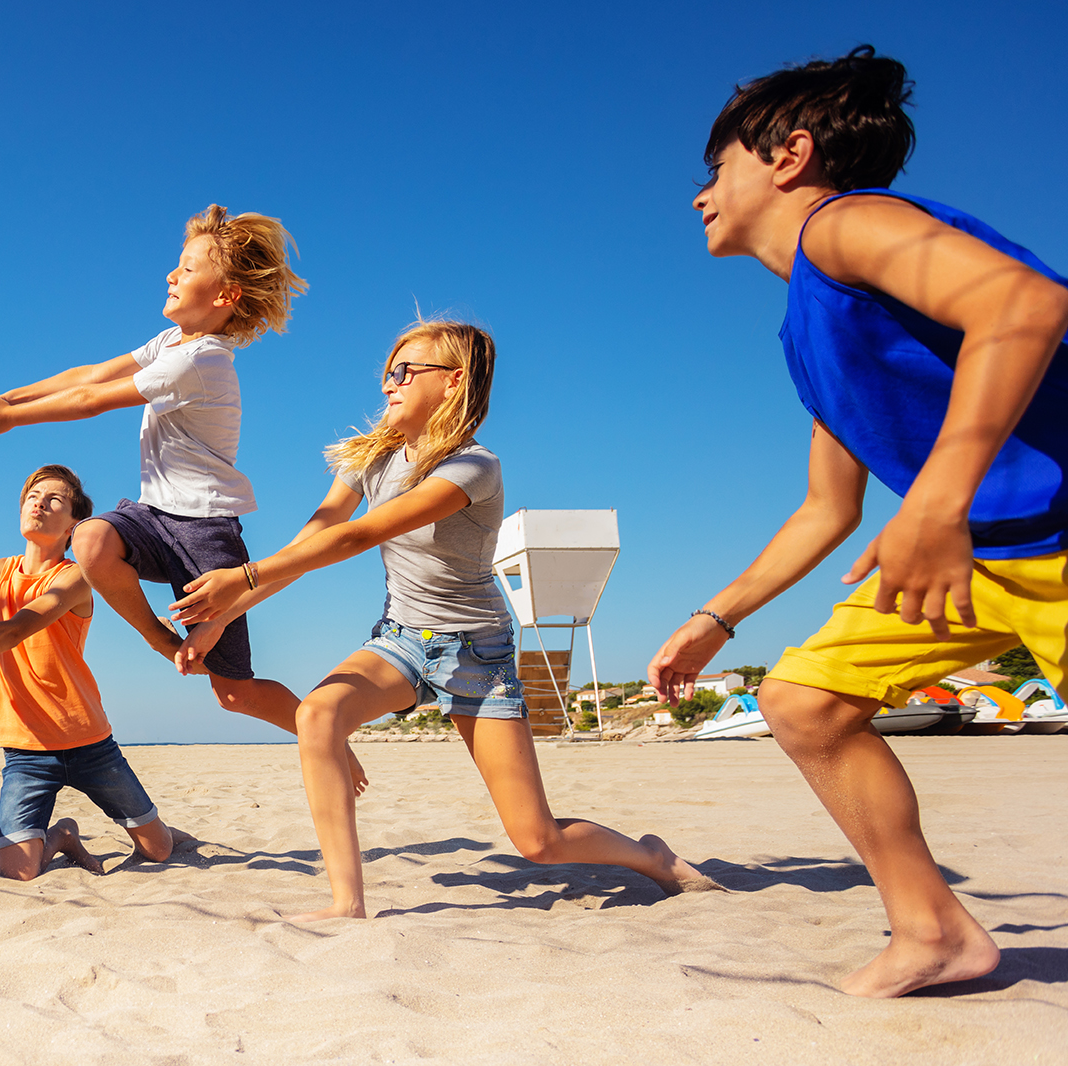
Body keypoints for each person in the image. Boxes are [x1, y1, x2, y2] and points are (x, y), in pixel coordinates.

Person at [647, 47, 1068, 997]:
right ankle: (934, 933)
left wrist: (934, 499)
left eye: (715, 170)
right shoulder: (807, 326)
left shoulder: (850, 224)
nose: (701, 196)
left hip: (1045, 534)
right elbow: (827, 509)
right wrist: (713, 621)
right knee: (804, 702)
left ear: (789, 156)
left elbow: (1025, 304)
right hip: (976, 557)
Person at [171, 321, 710, 921]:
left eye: (407, 372)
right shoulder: (373, 457)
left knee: (538, 841)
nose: (390, 385)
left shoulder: (474, 467)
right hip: (401, 640)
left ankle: (651, 857)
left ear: (453, 383)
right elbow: (315, 540)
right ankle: (347, 903)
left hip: (476, 654)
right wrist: (224, 616)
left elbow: (359, 535)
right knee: (319, 715)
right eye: (388, 373)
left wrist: (241, 577)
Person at [0, 205, 366, 791]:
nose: (170, 277)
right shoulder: (171, 342)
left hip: (207, 530)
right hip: (153, 516)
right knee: (92, 537)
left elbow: (93, 403)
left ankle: (320, 729)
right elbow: (91, 374)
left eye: (185, 268)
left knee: (233, 693)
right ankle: (164, 640)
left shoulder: (202, 359)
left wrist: (13, 420)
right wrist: (10, 394)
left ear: (226, 294)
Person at [0, 465, 187, 880]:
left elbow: (17, 627)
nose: (39, 503)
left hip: (89, 741)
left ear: (73, 526)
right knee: (19, 873)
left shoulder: (77, 576)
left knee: (159, 849)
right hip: (25, 750)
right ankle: (61, 835)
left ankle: (144, 827)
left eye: (54, 500)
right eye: (32, 497)